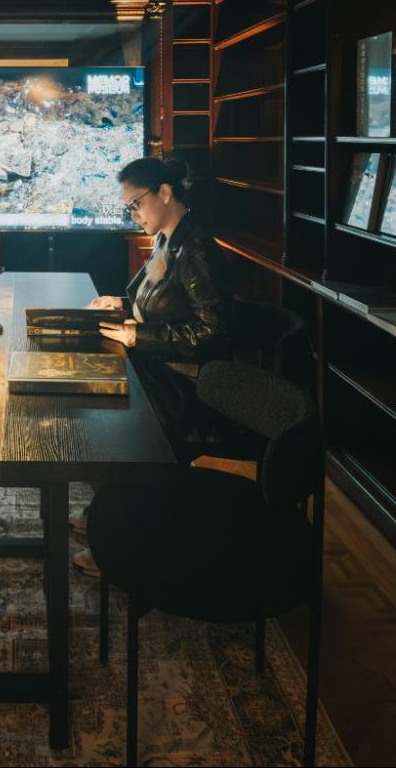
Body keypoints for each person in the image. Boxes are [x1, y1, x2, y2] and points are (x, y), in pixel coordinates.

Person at [73, 155, 238, 574]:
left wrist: (134, 335)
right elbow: (164, 307)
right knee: (92, 395)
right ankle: (111, 516)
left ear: (165, 193)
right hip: (160, 365)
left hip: (188, 384)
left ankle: (123, 542)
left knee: (109, 416)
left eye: (135, 204)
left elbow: (214, 333)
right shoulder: (168, 238)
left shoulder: (196, 248)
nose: (133, 214)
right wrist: (123, 305)